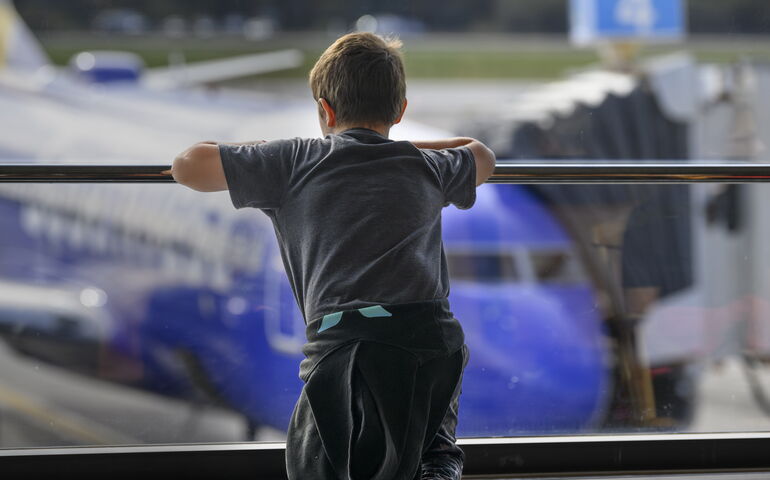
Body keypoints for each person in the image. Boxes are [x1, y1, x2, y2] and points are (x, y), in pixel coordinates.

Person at [167, 32, 495, 480]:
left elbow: (188, 166)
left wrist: (273, 150)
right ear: (400, 111)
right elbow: (480, 154)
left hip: (351, 346)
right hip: (434, 338)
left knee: (319, 461)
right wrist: (407, 150)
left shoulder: (295, 161)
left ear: (324, 111)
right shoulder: (427, 166)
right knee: (430, 452)